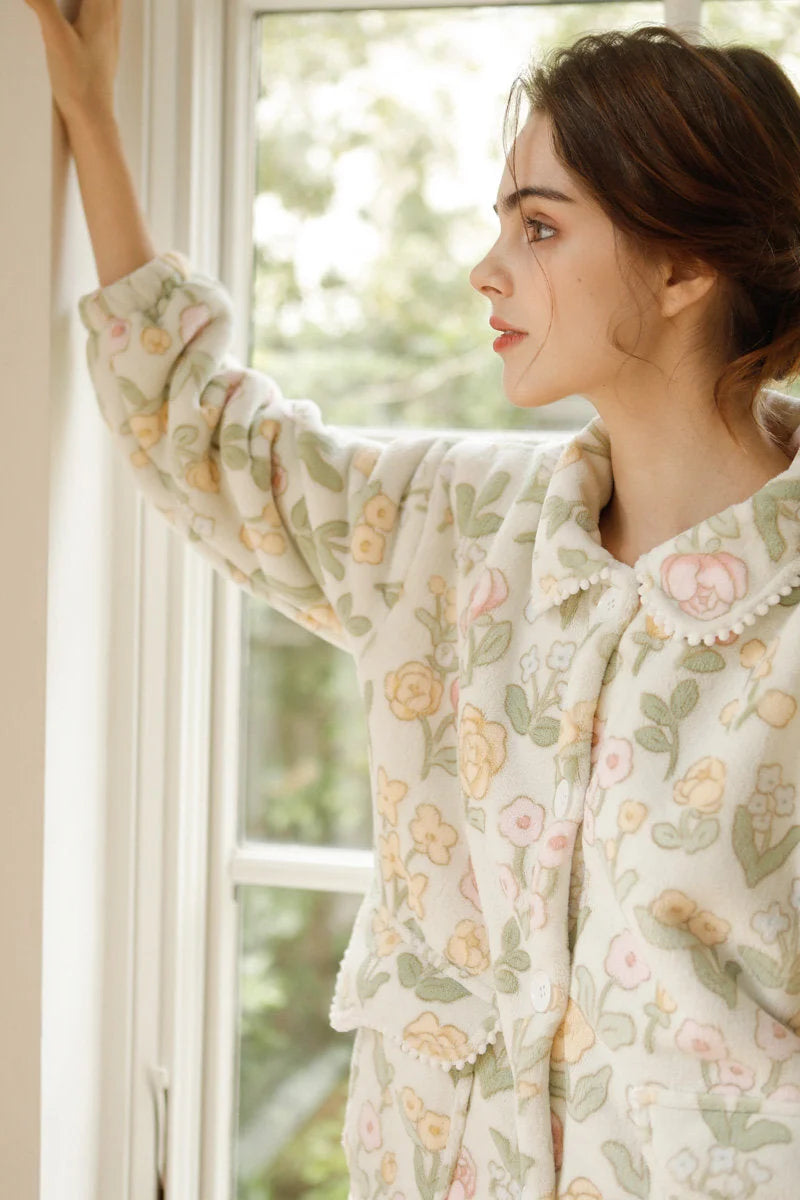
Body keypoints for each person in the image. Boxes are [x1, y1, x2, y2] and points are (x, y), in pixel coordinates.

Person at [24, 2, 800, 1196]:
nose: (486, 269)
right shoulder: (450, 527)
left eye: (537, 227)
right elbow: (204, 437)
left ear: (683, 267)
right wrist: (89, 118)